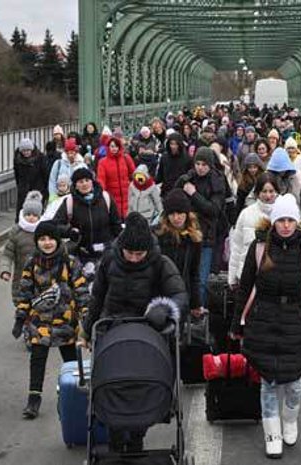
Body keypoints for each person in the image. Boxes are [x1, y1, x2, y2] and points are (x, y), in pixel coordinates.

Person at [230, 194, 301, 459]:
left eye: (290, 220)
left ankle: (289, 419)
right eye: (281, 220)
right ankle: (272, 432)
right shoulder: (258, 248)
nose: (286, 225)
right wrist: (236, 326)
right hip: (263, 321)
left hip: (296, 322)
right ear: (273, 221)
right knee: (267, 382)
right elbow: (245, 288)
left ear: (297, 222)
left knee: (295, 382)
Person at [82, 212, 188, 452]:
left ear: (148, 250)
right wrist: (87, 330)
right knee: (111, 382)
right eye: (129, 253)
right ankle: (115, 437)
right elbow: (97, 297)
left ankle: (138, 434)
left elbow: (179, 295)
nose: (133, 258)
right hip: (113, 329)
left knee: (145, 383)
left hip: (149, 329)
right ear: (122, 248)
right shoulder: (109, 260)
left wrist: (163, 309)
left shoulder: (161, 264)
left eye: (139, 254)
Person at [14, 221, 91, 419]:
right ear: (37, 242)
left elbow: (81, 292)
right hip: (40, 322)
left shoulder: (70, 263)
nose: (47, 243)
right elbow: (24, 293)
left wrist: (86, 319)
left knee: (72, 364)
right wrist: (20, 317)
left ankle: (77, 397)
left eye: (50, 239)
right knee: (37, 360)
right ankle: (34, 399)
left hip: (66, 322)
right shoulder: (31, 264)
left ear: (57, 240)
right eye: (42, 239)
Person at [176, 148, 226, 304]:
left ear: (210, 165)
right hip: (187, 234)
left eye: (204, 164)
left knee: (201, 281)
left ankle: (199, 311)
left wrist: (193, 194)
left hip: (206, 236)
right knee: (182, 278)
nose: (200, 168)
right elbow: (174, 198)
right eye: (197, 163)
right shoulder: (189, 178)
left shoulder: (217, 181)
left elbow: (213, 210)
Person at [48, 167, 121, 264]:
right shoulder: (69, 202)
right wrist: (69, 232)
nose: (84, 184)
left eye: (87, 180)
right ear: (75, 185)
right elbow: (55, 225)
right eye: (80, 181)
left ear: (92, 182)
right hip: (80, 255)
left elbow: (116, 225)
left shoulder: (106, 198)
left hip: (106, 254)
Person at [154, 190, 204, 320]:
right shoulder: (158, 236)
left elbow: (194, 273)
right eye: (172, 214)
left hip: (182, 294)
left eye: (180, 213)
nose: (176, 218)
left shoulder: (194, 239)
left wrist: (196, 302)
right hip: (159, 294)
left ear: (187, 214)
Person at [228, 173, 278, 291]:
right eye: (264, 191)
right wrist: (232, 276)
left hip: (274, 276)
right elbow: (237, 247)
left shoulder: (284, 215)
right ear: (257, 193)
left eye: (271, 191)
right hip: (246, 274)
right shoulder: (246, 214)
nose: (268, 195)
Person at [0, 191, 42, 300]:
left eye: (34, 215)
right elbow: (7, 254)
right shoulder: (16, 232)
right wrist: (5, 270)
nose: (31, 217)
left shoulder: (43, 232)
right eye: (28, 214)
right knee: (22, 310)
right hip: (21, 279)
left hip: (41, 280)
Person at [96, 137, 136, 219]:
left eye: (116, 146)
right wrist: (101, 192)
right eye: (112, 146)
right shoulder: (103, 162)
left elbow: (134, 174)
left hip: (127, 196)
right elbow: (101, 179)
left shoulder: (126, 158)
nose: (114, 148)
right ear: (108, 147)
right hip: (112, 197)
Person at [13, 138, 48, 213]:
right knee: (23, 210)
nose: (26, 153)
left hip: (38, 188)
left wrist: (45, 190)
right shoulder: (17, 159)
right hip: (24, 188)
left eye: (28, 150)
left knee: (36, 211)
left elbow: (45, 173)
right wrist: (19, 186)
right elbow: (17, 174)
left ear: (31, 150)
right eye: (24, 151)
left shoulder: (40, 158)